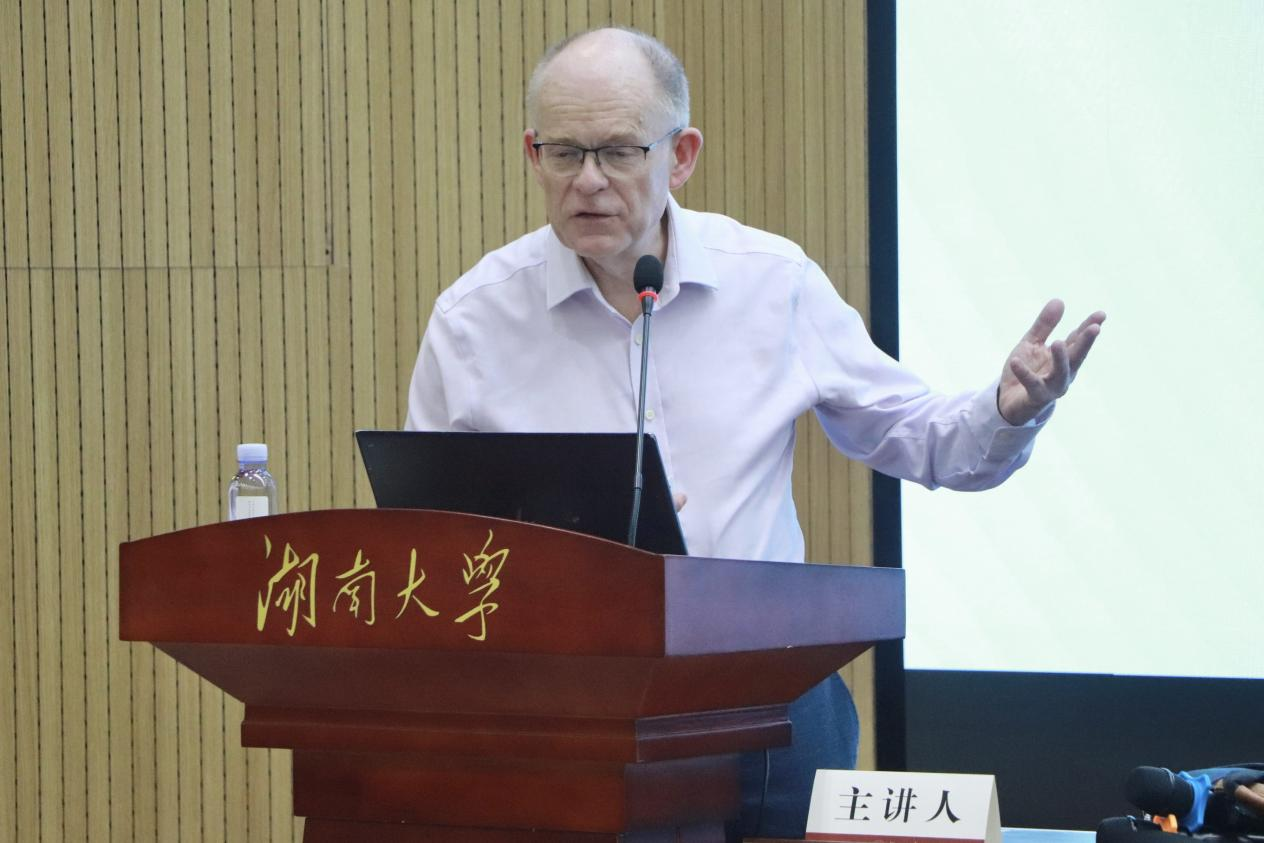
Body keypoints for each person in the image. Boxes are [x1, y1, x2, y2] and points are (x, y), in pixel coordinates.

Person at [405, 26, 1104, 840]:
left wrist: (1007, 410)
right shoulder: (476, 320)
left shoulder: (772, 284)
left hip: (774, 693)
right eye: (564, 152)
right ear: (533, 155)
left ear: (682, 155)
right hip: (577, 707)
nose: (588, 180)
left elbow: (919, 436)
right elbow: (424, 537)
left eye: (619, 151)